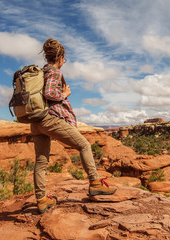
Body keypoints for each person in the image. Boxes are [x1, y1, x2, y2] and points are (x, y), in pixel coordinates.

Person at [31, 38, 116, 214]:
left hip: (36, 122)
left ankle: (41, 200)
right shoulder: (54, 71)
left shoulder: (40, 72)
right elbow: (49, 93)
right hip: (49, 119)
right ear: (61, 57)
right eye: (64, 59)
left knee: (41, 160)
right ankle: (95, 184)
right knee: (84, 145)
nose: (64, 62)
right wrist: (65, 93)